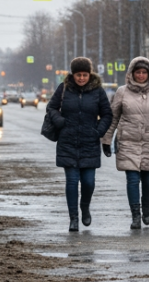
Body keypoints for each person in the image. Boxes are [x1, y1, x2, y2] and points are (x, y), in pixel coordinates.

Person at [102, 57, 149, 230]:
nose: (141, 75)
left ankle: (146, 206)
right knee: (132, 180)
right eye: (138, 72)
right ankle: (135, 215)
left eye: (144, 72)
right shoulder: (122, 92)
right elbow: (113, 118)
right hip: (128, 142)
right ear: (132, 73)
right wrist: (106, 140)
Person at [45, 58, 112, 232]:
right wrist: (59, 121)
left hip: (90, 142)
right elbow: (51, 108)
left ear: (90, 74)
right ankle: (73, 218)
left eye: (84, 75)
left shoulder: (97, 91)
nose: (81, 78)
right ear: (73, 75)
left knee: (88, 182)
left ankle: (85, 206)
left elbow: (107, 114)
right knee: (72, 181)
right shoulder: (64, 89)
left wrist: (98, 131)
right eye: (78, 75)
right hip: (68, 142)